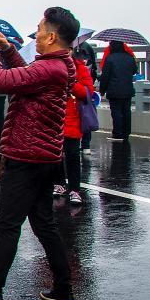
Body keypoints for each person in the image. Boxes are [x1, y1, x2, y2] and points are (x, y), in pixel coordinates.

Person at [0, 7, 80, 300]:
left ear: (51, 36)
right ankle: (63, 290)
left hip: (26, 158)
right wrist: (8, 50)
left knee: (8, 225)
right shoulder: (60, 65)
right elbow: (26, 76)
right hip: (44, 157)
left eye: (38, 29)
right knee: (44, 225)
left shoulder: (51, 68)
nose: (35, 34)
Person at [53, 51, 94, 205]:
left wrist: (71, 81)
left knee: (72, 154)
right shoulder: (52, 67)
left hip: (72, 117)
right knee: (55, 153)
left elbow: (87, 92)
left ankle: (75, 189)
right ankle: (59, 183)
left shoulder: (80, 68)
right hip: (54, 115)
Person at [99, 39, 137, 142]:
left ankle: (117, 134)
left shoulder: (110, 59)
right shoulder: (130, 57)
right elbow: (134, 71)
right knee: (126, 112)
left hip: (114, 90)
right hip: (127, 90)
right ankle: (126, 133)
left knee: (116, 112)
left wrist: (102, 90)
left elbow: (105, 76)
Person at [75, 42, 98, 154]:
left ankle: (84, 145)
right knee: (85, 118)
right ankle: (85, 146)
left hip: (77, 97)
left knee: (83, 118)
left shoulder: (79, 68)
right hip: (81, 98)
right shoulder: (87, 48)